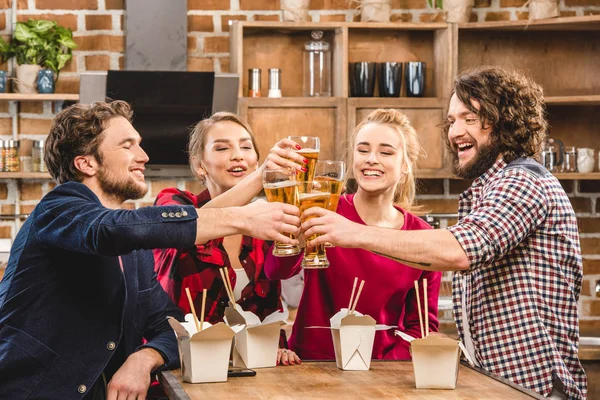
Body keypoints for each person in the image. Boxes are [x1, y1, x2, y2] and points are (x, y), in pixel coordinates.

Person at [300, 67, 587, 399]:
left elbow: (458, 250)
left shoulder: (523, 181)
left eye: (469, 118)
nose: (455, 131)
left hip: (532, 388)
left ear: (504, 120)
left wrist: (352, 232)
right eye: (452, 121)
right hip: (500, 384)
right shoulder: (488, 189)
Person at [0, 101, 301, 399]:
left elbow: (173, 326)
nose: (143, 156)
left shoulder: (133, 252)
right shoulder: (58, 208)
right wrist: (242, 217)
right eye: (127, 145)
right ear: (87, 162)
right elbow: (110, 229)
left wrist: (144, 358)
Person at [264, 109, 441, 360]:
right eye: (363, 150)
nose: (371, 159)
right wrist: (297, 237)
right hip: (309, 365)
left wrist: (381, 369)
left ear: (405, 165)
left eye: (386, 152)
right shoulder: (323, 208)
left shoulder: (422, 236)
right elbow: (275, 272)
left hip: (381, 373)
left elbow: (421, 328)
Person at [153, 112, 304, 366]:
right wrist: (260, 179)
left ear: (256, 161)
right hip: (182, 367)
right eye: (222, 147)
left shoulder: (264, 219)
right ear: (200, 165)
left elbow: (280, 276)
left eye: (246, 147)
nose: (238, 155)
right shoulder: (173, 204)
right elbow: (187, 227)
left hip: (250, 371)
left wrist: (276, 347)